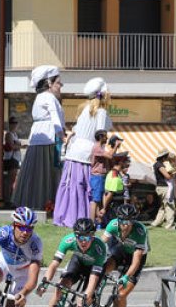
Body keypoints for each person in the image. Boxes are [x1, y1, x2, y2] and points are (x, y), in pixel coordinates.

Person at [34, 217, 108, 307]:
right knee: (60, 288)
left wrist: (87, 295)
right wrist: (45, 281)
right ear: (75, 236)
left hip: (94, 270)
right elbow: (54, 264)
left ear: (93, 236)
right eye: (80, 237)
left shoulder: (99, 248)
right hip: (78, 262)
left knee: (82, 303)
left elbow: (93, 278)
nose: (83, 241)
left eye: (88, 237)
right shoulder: (68, 240)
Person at [55, 77, 112, 227]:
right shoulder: (101, 112)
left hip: (74, 153)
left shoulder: (84, 109)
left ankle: (68, 216)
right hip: (88, 155)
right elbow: (100, 134)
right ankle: (87, 219)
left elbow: (76, 131)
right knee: (89, 189)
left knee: (72, 187)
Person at [12, 64, 66, 210]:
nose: (61, 85)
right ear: (49, 83)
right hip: (48, 139)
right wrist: (62, 136)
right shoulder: (48, 97)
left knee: (36, 173)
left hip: (39, 139)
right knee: (48, 173)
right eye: (58, 82)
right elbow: (55, 117)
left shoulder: (40, 97)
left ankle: (37, 202)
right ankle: (47, 203)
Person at [100, 203, 149, 307]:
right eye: (122, 221)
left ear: (133, 221)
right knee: (102, 270)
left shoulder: (140, 231)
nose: (125, 225)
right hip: (120, 251)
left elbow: (135, 262)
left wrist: (126, 276)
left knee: (121, 295)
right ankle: (94, 298)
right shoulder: (113, 224)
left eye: (129, 222)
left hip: (135, 257)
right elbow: (101, 243)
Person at [88, 131, 119, 224]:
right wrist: (116, 146)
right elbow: (110, 156)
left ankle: (98, 222)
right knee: (95, 200)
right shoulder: (97, 147)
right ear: (101, 137)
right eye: (105, 137)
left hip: (100, 177)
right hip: (97, 176)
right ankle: (91, 223)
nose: (107, 138)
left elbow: (109, 155)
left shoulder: (100, 148)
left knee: (99, 201)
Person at [152, 150, 176, 231]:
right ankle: (170, 226)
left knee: (163, 206)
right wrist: (175, 173)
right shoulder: (160, 165)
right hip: (164, 187)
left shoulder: (157, 164)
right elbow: (167, 176)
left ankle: (156, 222)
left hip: (160, 187)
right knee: (170, 206)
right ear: (164, 156)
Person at [2, 116, 23, 204]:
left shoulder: (15, 134)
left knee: (12, 181)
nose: (14, 125)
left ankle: (9, 198)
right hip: (11, 159)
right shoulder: (9, 134)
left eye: (15, 123)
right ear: (9, 124)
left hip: (14, 159)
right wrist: (19, 146)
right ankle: (7, 199)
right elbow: (11, 146)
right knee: (9, 181)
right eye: (12, 123)